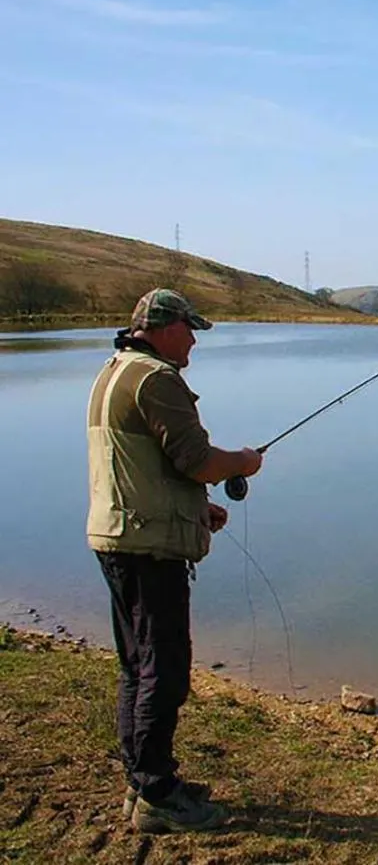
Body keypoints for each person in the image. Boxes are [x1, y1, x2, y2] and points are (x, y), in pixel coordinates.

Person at [86, 288, 263, 833]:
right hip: (146, 547)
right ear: (164, 327)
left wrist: (194, 507)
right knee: (162, 669)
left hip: (122, 536)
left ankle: (144, 782)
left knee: (137, 666)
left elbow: (141, 467)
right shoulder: (157, 379)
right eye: (190, 329)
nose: (193, 340)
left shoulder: (115, 370)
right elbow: (197, 459)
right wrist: (245, 461)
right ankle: (157, 794)